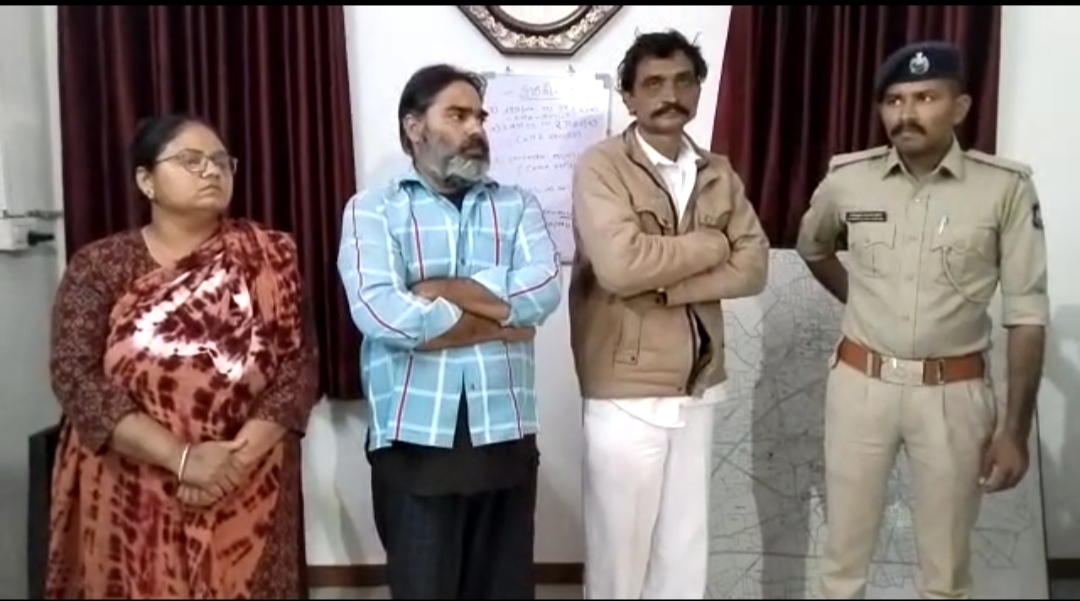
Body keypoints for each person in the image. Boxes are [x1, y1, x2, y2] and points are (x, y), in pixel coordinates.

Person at [796, 41, 1048, 599]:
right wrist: (861, 301)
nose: (906, 113)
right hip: (860, 388)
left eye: (926, 98)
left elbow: (1027, 316)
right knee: (842, 566)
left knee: (946, 571)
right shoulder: (848, 179)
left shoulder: (1004, 189)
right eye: (894, 100)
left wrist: (1013, 431)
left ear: (960, 107)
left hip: (953, 396)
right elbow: (814, 247)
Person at [46, 114, 319, 599]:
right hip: (132, 482)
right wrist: (182, 458)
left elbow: (297, 367)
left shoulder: (268, 257)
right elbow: (76, 376)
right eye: (191, 160)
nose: (211, 170)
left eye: (221, 161)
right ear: (146, 180)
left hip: (249, 479)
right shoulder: (100, 266)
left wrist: (228, 465)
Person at [337, 64, 562, 600]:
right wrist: (501, 323)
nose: (475, 128)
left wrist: (439, 289)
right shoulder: (373, 209)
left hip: (505, 437)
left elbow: (544, 291)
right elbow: (382, 314)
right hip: (414, 444)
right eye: (457, 115)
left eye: (479, 117)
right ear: (414, 127)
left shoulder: (518, 205)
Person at [569, 30, 770, 599]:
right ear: (629, 97)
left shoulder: (718, 171)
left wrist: (668, 287)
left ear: (699, 90)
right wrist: (711, 246)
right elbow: (620, 266)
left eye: (683, 81)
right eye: (653, 83)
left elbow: (754, 267)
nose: (670, 95)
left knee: (683, 550)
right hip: (625, 388)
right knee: (620, 558)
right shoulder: (602, 166)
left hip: (699, 383)